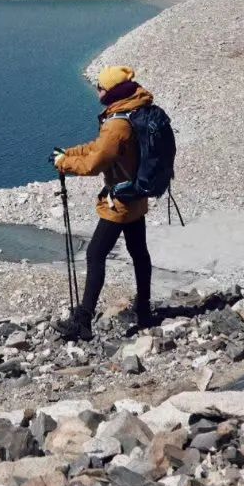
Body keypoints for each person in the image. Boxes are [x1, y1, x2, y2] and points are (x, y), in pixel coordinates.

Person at [51, 64, 154, 341]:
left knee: (95, 254)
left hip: (120, 201)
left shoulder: (118, 123)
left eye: (101, 86)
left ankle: (83, 321)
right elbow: (100, 147)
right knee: (138, 252)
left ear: (112, 90)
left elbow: (96, 162)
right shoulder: (134, 108)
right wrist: (69, 153)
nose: (98, 90)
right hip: (136, 194)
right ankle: (144, 310)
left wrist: (65, 163)